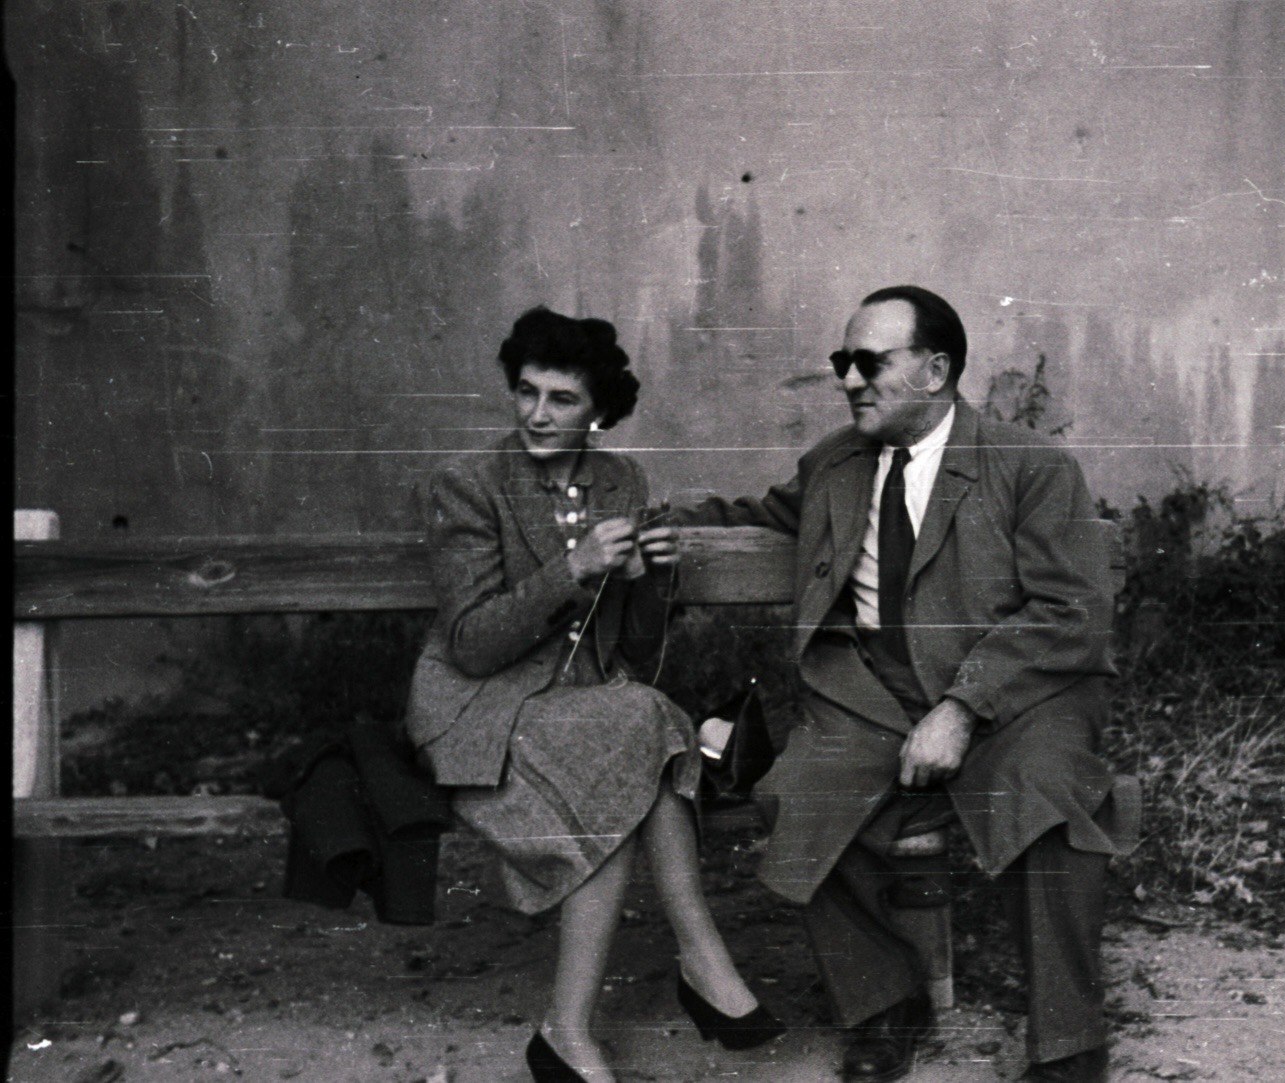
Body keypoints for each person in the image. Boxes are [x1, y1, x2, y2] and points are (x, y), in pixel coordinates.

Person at [681, 286, 1136, 1082]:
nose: (848, 379)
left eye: (869, 362)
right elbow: (755, 514)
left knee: (1050, 790)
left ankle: (1069, 1045)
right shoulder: (834, 464)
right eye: (841, 363)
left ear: (933, 370)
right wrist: (651, 528)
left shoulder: (1026, 467)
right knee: (800, 791)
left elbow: (1071, 610)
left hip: (1016, 700)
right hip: (872, 697)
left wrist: (963, 705)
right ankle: (885, 1002)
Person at [404, 306, 783, 1083]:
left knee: (629, 738)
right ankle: (701, 956)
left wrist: (655, 577)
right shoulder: (469, 484)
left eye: (562, 399)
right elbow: (472, 644)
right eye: (526, 392)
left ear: (599, 411)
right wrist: (569, 568)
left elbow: (634, 651)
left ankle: (567, 1032)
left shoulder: (621, 480)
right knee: (639, 735)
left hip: (588, 714)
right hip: (485, 715)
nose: (538, 414)